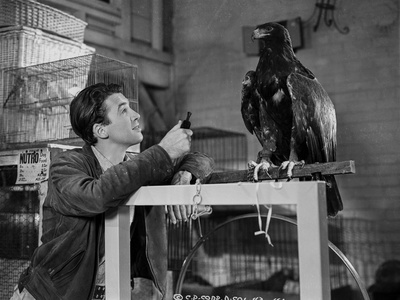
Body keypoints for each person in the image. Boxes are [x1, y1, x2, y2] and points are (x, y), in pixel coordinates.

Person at [11, 83, 214, 299]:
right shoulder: (66, 166)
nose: (136, 116)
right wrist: (162, 152)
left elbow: (202, 160)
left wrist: (183, 176)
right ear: (101, 130)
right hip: (51, 295)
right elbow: (98, 195)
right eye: (124, 110)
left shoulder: (138, 167)